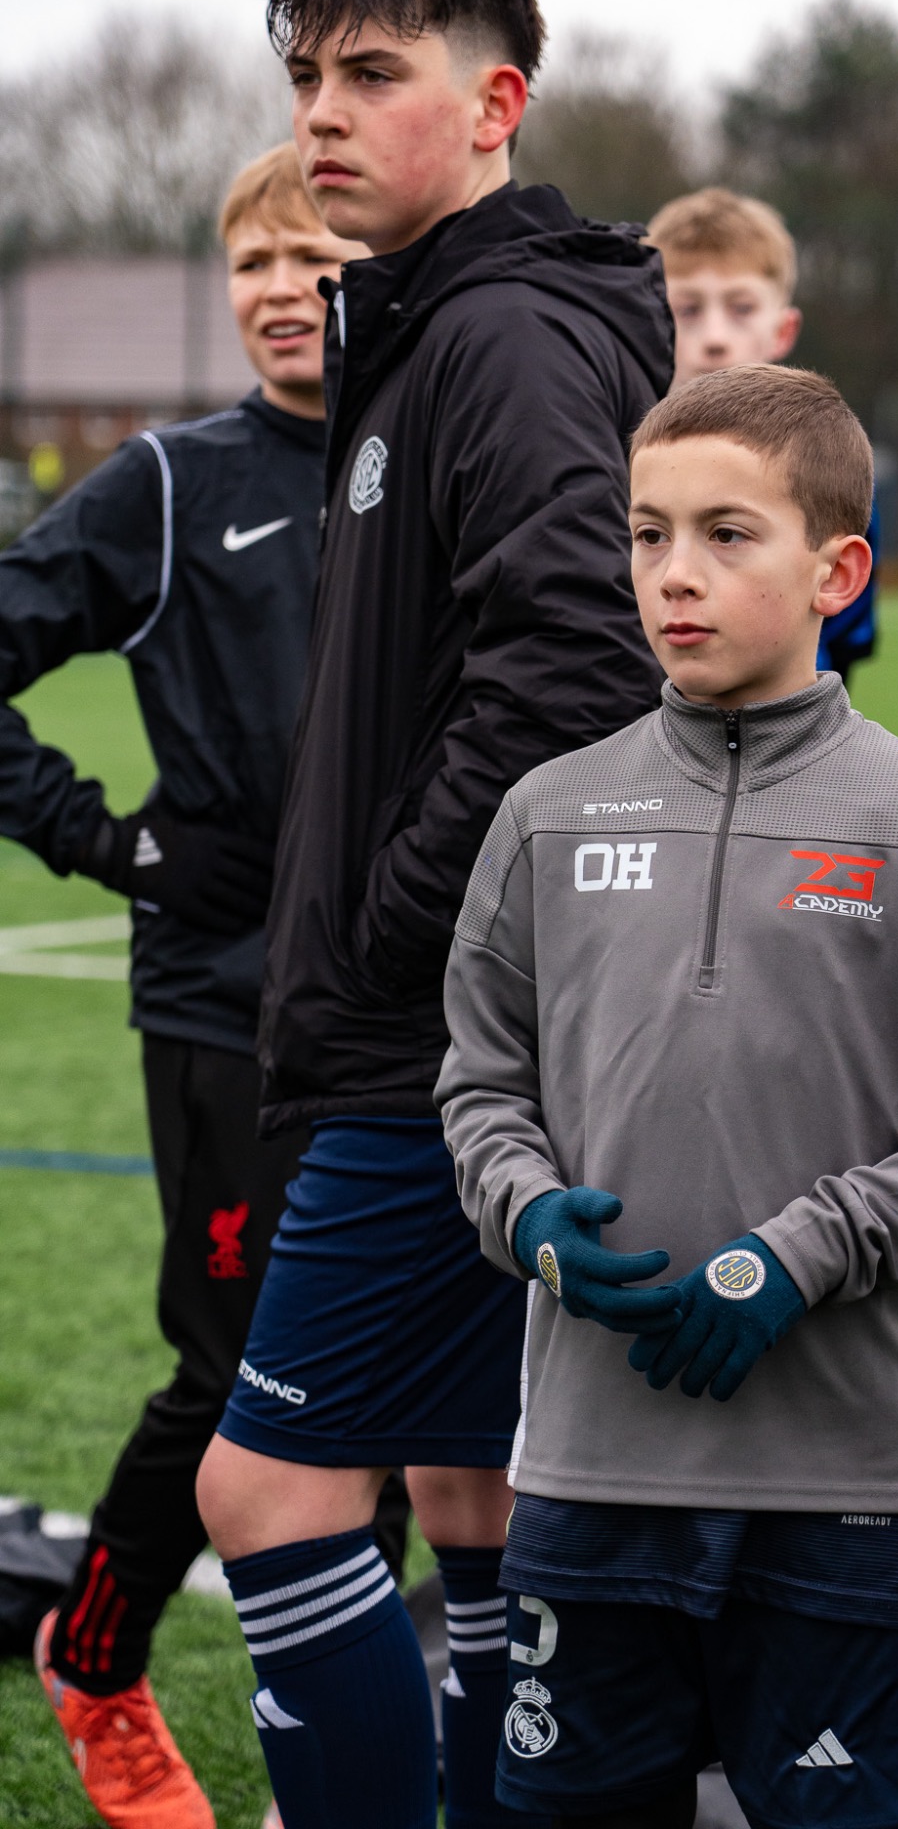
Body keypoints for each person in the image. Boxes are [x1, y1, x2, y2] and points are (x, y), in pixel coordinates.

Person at [440, 363, 898, 1829]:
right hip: (586, 1473)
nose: (675, 573)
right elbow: (479, 1079)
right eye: (647, 534)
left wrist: (802, 1251)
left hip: (834, 1481)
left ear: (836, 572)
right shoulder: (546, 814)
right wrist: (526, 1211)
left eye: (727, 534)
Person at [194, 0, 674, 1829]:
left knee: (266, 1493)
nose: (320, 112)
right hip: (475, 1038)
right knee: (470, 1486)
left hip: (434, 1047)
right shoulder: (433, 326)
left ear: (493, 105)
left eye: (371, 73)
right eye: (305, 75)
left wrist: (399, 930)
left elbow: (575, 664)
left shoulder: (496, 336)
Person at [0, 144, 367, 1828]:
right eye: (252, 264)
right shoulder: (165, 483)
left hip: (419, 1010)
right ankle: (93, 1656)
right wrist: (107, 842)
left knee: (396, 1386)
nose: (280, 291)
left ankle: (344, 1738)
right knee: (233, 1375)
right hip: (227, 1008)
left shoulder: (444, 466)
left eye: (315, 260)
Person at [648, 185, 882, 684]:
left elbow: (847, 630)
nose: (714, 337)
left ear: (783, 329)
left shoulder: (829, 464)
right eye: (688, 309)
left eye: (741, 308)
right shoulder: (615, 457)